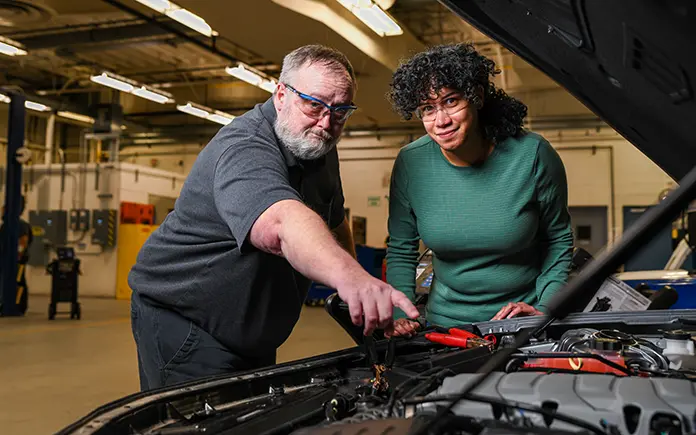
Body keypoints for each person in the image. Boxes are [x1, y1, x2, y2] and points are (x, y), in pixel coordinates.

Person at [128, 44, 419, 390]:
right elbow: (282, 222)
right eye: (314, 105)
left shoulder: (317, 145)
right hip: (188, 323)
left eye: (340, 111)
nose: (326, 123)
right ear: (281, 94)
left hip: (252, 333)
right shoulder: (244, 147)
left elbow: (334, 218)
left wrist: (354, 294)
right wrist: (351, 279)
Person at [384, 43, 573, 338]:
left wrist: (546, 307)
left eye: (451, 101)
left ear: (477, 97)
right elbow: (401, 249)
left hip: (521, 324)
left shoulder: (533, 154)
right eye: (427, 109)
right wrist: (401, 314)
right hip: (444, 326)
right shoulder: (411, 163)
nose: (441, 121)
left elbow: (559, 239)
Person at [0, 195, 33, 315]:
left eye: (3, 208)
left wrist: (17, 256)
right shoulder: (7, 225)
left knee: (17, 282)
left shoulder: (19, 225)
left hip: (15, 261)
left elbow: (23, 242)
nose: (1, 210)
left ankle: (17, 306)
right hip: (7, 259)